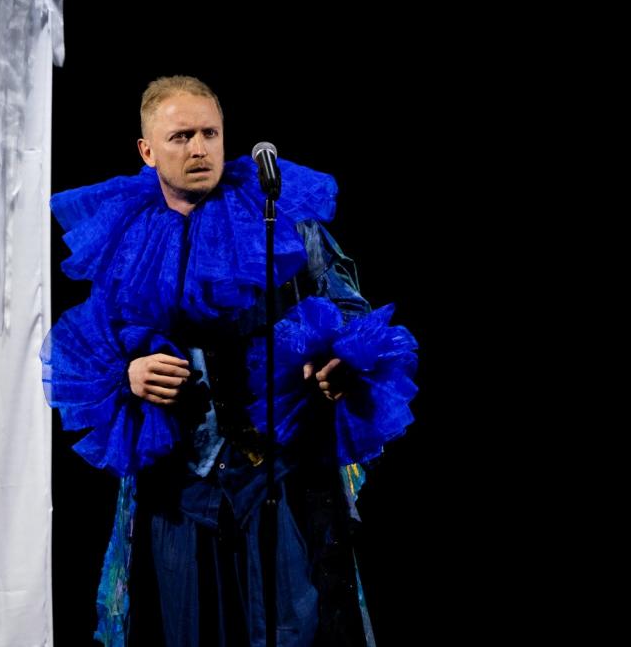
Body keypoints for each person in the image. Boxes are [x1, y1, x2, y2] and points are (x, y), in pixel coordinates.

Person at [41, 76, 418, 647]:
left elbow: (348, 306)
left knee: (291, 627)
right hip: (180, 479)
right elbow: (91, 342)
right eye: (181, 136)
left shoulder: (279, 214)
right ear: (147, 150)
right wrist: (128, 373)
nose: (199, 148)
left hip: (278, 471)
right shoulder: (126, 235)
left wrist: (337, 357)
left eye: (209, 134)